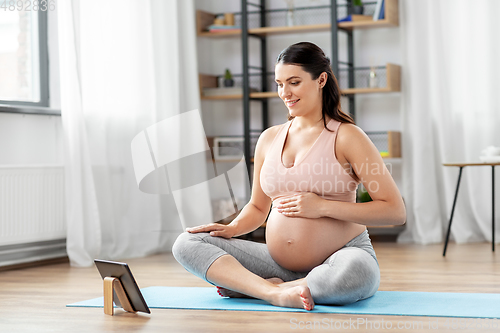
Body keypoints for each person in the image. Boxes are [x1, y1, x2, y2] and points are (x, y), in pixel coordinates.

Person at [172, 42, 406, 311]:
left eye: (294, 82)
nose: (285, 93)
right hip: (276, 263)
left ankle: (258, 289)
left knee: (355, 274)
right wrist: (232, 228)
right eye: (279, 84)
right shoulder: (268, 138)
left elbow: (394, 211)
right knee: (187, 242)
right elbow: (259, 207)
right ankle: (274, 291)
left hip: (340, 257)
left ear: (321, 79)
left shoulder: (348, 137)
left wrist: (322, 207)